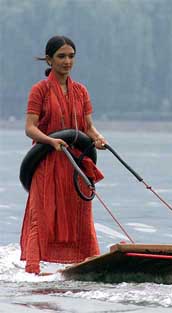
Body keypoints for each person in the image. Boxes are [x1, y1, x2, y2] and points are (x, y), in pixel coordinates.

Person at [20, 35, 107, 275]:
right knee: (43, 214)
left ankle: (89, 264)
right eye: (61, 56)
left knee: (81, 215)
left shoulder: (81, 91)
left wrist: (98, 138)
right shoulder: (39, 90)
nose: (67, 61)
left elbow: (88, 126)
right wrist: (49, 140)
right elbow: (30, 127)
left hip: (76, 163)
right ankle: (33, 270)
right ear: (49, 59)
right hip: (46, 162)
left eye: (71, 56)